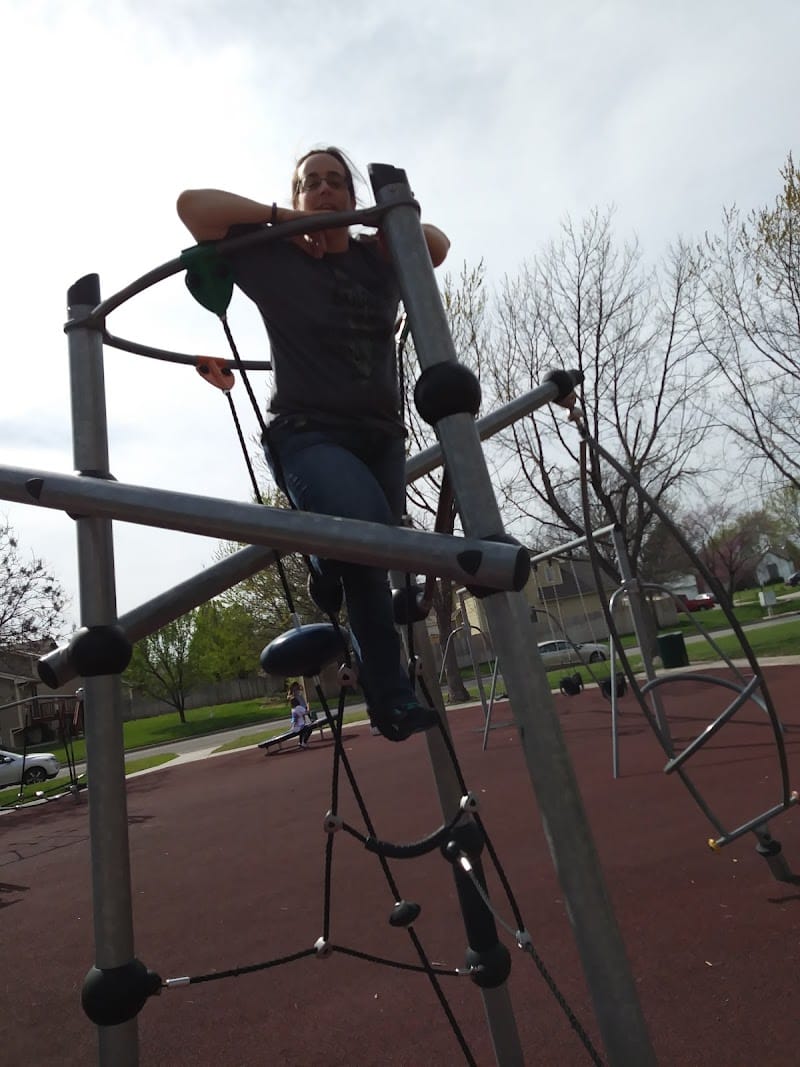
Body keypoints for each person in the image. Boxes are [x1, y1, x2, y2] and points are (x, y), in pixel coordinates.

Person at [177, 147, 450, 743]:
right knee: (369, 539)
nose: (325, 189)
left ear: (352, 196)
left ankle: (328, 567)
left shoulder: (377, 257)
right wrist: (283, 220)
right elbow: (192, 207)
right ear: (297, 196)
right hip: (307, 433)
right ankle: (391, 695)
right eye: (311, 183)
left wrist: (373, 224)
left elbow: (434, 244)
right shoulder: (272, 254)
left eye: (336, 182)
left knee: (370, 555)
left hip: (380, 437)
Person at [288, 682, 315, 749]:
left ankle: (301, 742)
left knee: (303, 726)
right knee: (309, 729)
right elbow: (307, 711)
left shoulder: (293, 709)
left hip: (295, 726)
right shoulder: (298, 707)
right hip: (298, 726)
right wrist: (308, 706)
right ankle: (303, 742)